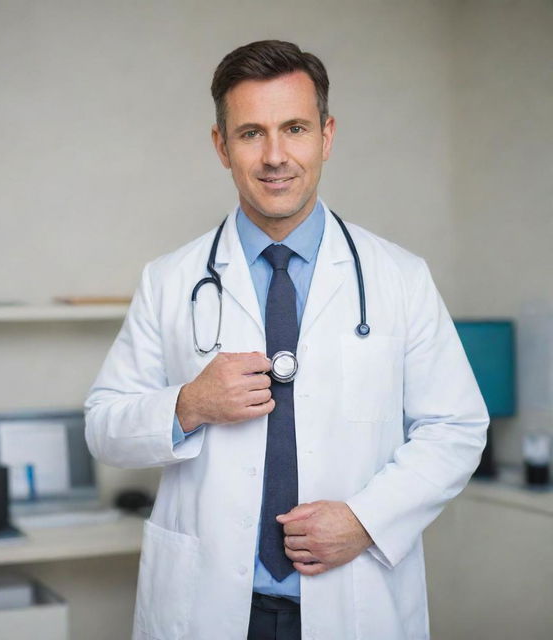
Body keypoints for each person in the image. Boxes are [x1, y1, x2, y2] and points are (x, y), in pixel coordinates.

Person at [85, 40, 488, 640]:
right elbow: (103, 426)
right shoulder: (169, 280)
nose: (275, 156)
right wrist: (188, 405)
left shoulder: (400, 278)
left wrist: (365, 519)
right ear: (222, 146)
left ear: (325, 136)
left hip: (353, 598)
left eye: (294, 128)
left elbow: (455, 427)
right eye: (250, 133)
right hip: (209, 607)